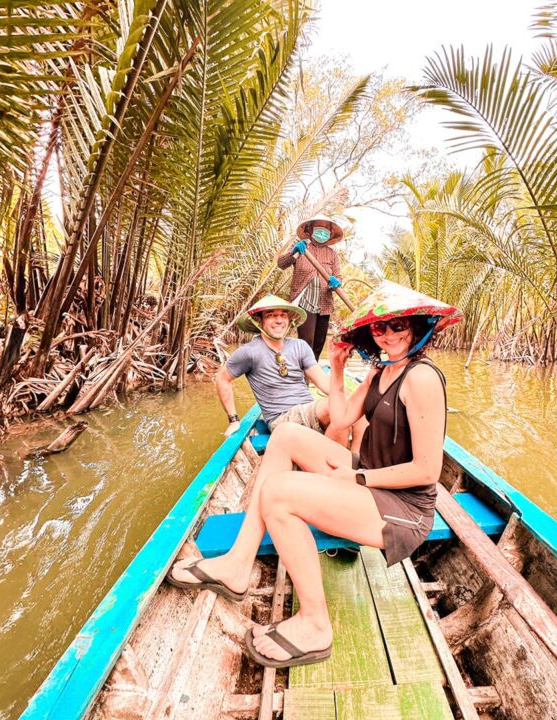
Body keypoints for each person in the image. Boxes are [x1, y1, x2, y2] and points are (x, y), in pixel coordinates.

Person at [167, 281, 461, 669]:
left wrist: (357, 480)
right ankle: (238, 563)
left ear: (418, 326)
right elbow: (340, 418)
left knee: (280, 494)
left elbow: (427, 471)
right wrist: (337, 369)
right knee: (287, 434)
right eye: (379, 328)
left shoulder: (422, 378)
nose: (388, 335)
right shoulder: (382, 370)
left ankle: (315, 625)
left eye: (398, 326)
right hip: (367, 476)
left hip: (402, 507)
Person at [216, 294, 333, 437]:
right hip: (281, 419)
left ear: (289, 320)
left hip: (308, 409)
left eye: (283, 315)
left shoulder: (300, 346)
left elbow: (322, 381)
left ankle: (356, 456)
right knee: (336, 408)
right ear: (259, 321)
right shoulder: (249, 352)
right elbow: (222, 378)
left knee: (350, 405)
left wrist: (346, 398)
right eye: (271, 315)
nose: (279, 320)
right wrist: (233, 420)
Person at [277, 215, 346, 359]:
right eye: (319, 228)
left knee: (319, 344)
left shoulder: (332, 254)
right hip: (304, 302)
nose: (323, 232)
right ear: (310, 229)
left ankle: (310, 375)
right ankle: (303, 378)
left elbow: (338, 276)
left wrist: (336, 282)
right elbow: (282, 264)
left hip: (324, 304)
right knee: (306, 342)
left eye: (326, 229)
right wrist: (293, 252)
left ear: (330, 233)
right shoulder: (302, 247)